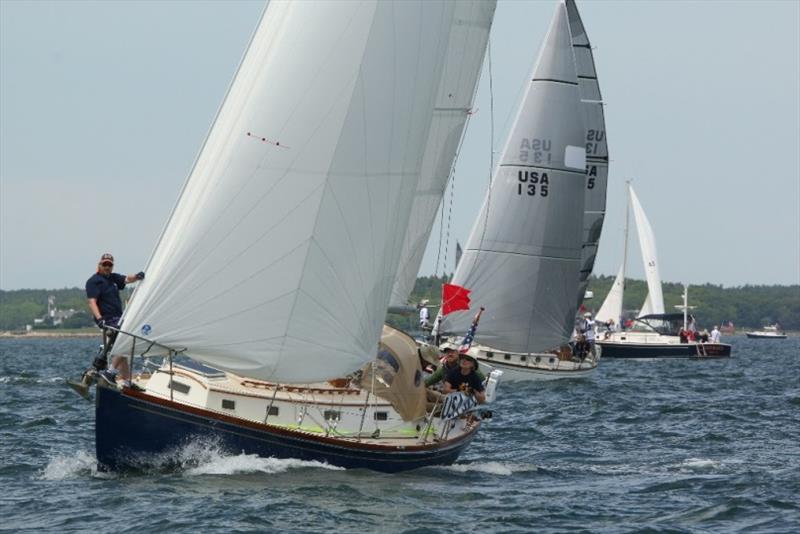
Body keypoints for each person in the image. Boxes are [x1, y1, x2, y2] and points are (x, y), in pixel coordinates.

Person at [85, 253, 144, 384]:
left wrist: (138, 276)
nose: (107, 267)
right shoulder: (94, 281)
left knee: (121, 348)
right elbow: (92, 302)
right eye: (104, 264)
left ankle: (127, 381)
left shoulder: (113, 278)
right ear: (99, 265)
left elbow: (127, 279)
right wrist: (100, 319)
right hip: (107, 319)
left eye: (109, 265)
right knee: (125, 343)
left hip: (118, 318)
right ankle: (110, 372)